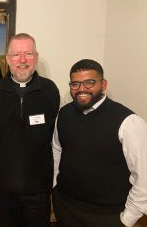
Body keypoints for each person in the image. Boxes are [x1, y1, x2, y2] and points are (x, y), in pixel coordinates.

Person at [52, 59, 147, 227]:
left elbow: (144, 176)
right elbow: (57, 150)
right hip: (66, 206)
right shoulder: (64, 114)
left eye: (89, 82)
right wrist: (55, 186)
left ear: (103, 84)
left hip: (107, 215)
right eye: (75, 84)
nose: (81, 89)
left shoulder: (128, 122)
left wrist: (128, 218)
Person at [0, 33, 60, 227]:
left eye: (28, 54)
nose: (22, 60)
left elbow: (54, 137)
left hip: (38, 187)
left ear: (36, 57)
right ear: (8, 59)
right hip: (3, 186)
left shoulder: (50, 90)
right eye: (16, 54)